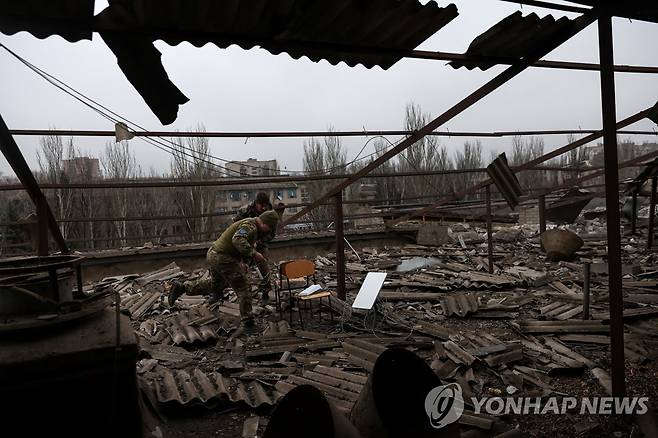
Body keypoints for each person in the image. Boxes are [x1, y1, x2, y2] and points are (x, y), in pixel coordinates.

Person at [168, 210, 280, 328]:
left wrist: (243, 261)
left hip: (215, 254)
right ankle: (248, 322)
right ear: (265, 224)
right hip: (222, 257)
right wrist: (254, 254)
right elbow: (237, 240)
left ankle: (183, 287)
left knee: (216, 285)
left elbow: (241, 245)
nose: (268, 231)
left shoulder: (252, 227)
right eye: (269, 228)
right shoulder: (250, 226)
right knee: (243, 287)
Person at [232, 191, 285, 301]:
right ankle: (243, 292)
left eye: (266, 205)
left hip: (260, 242)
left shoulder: (271, 213)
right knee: (241, 266)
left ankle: (266, 290)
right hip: (244, 242)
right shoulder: (244, 211)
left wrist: (259, 242)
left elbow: (271, 234)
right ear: (256, 203)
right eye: (262, 205)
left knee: (263, 263)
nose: (264, 208)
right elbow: (234, 228)